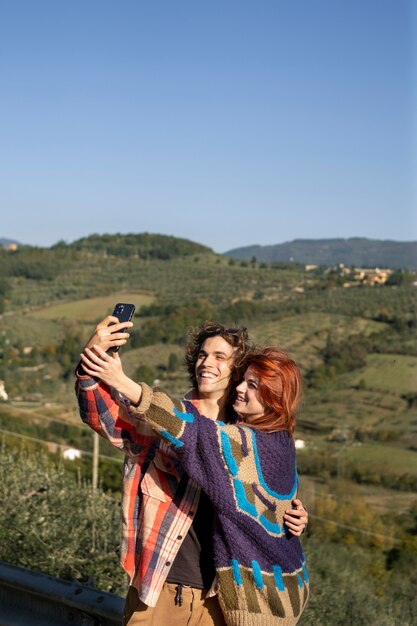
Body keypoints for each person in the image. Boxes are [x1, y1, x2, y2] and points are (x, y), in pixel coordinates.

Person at [76, 318, 308, 625]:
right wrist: (93, 363)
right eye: (202, 354)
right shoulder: (165, 418)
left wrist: (294, 514)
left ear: (237, 370)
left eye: (219, 357)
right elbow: (105, 416)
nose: (206, 363)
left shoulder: (246, 439)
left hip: (220, 598)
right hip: (163, 587)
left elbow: (265, 497)